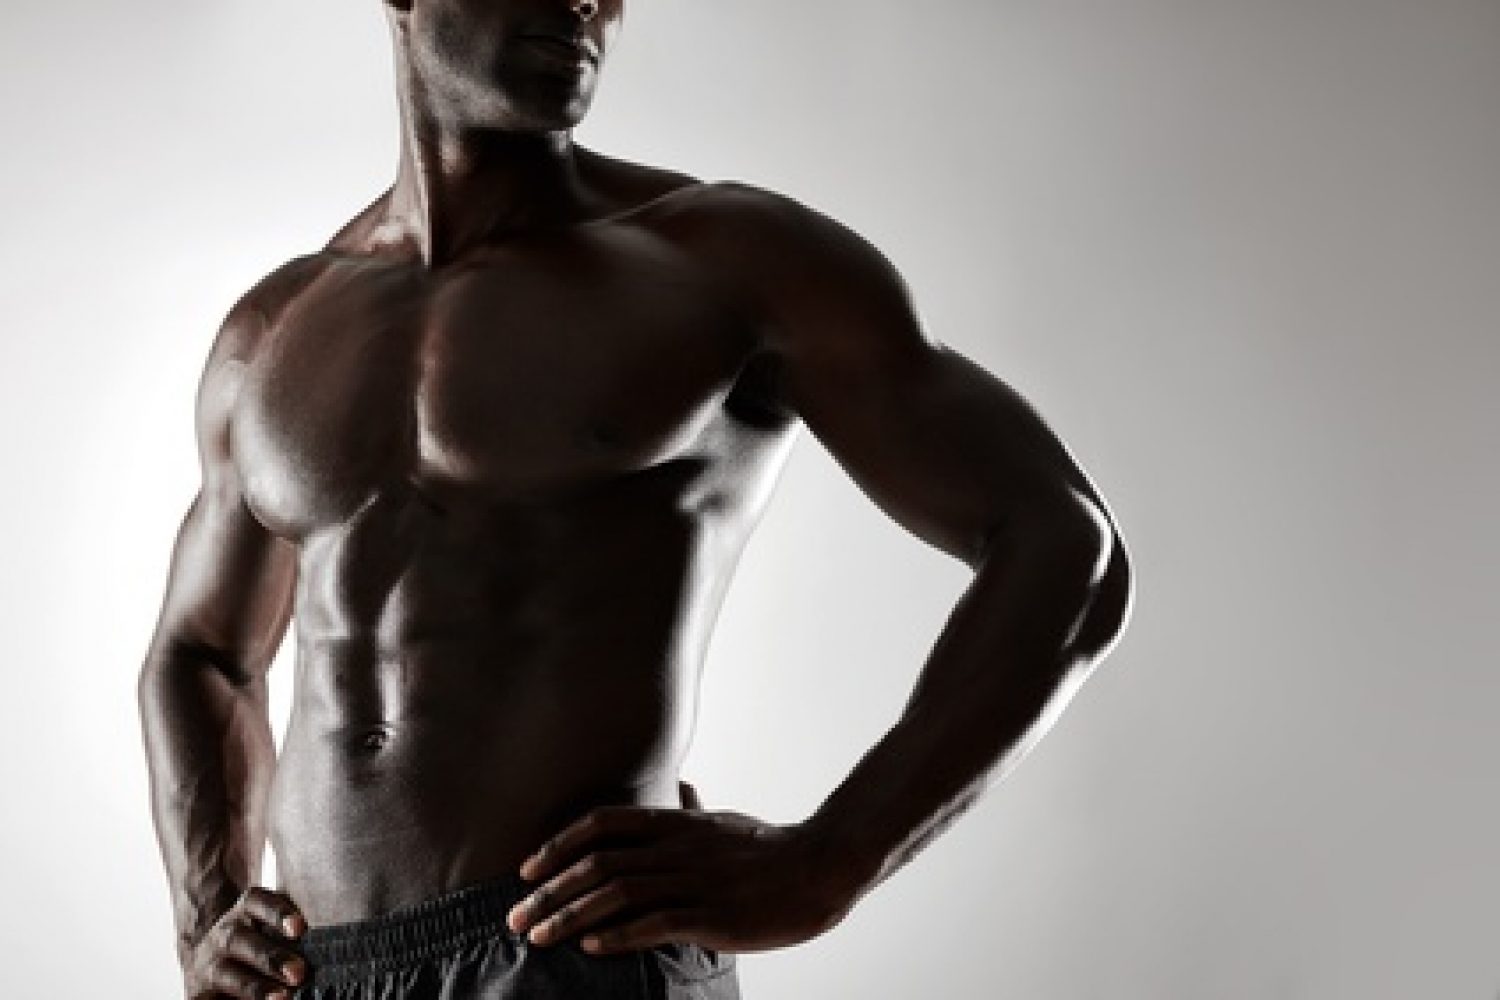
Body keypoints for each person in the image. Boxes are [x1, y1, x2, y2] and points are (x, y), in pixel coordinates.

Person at [137, 0, 1134, 997]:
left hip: (571, 950)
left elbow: (1062, 544)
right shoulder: (276, 327)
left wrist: (827, 862)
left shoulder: (727, 262)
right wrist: (206, 919)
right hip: (316, 970)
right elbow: (202, 652)